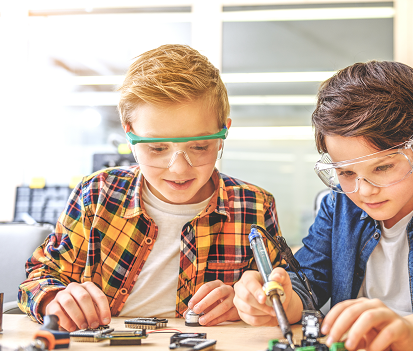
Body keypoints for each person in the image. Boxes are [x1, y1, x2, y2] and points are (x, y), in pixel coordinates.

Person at [233, 61, 413, 351]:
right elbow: (307, 286)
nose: (365, 190)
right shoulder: (338, 205)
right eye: (346, 173)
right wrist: (276, 299)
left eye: (383, 167)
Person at [18, 44, 284, 331]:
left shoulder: (255, 206)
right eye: (157, 148)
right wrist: (54, 299)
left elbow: (285, 294)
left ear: (224, 133)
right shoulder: (96, 194)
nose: (179, 168)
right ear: (130, 133)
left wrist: (249, 303)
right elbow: (39, 277)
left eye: (200, 146)